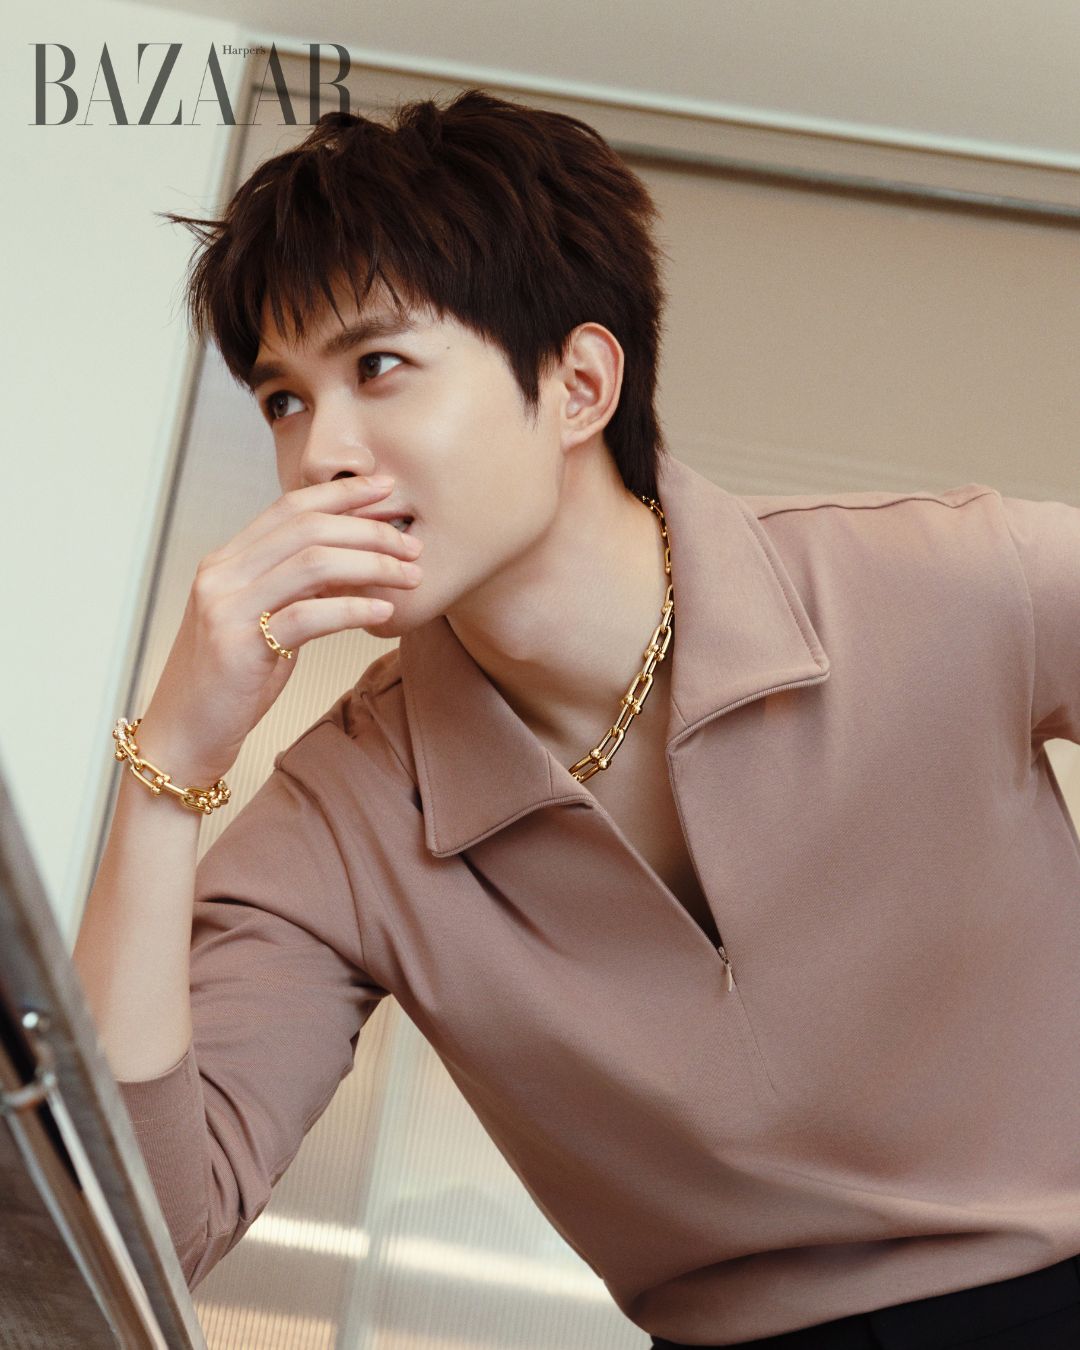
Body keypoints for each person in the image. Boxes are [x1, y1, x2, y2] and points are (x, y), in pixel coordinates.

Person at [73, 89, 1080, 1348]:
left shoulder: (953, 579)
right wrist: (168, 764)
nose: (319, 454)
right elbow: (129, 1242)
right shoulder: (339, 814)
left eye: (377, 367)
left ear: (579, 384)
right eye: (283, 399)